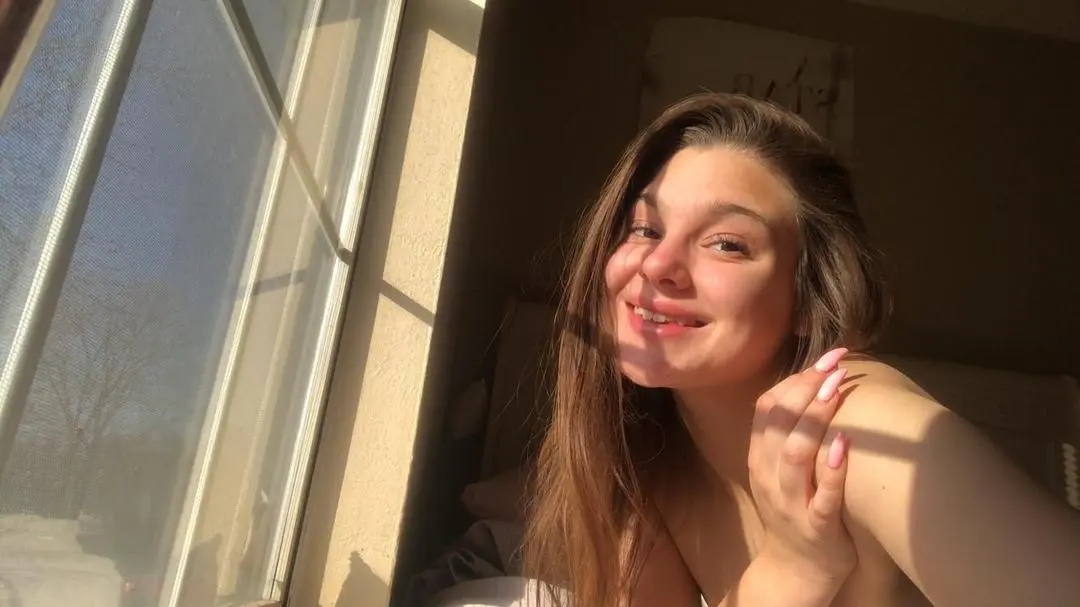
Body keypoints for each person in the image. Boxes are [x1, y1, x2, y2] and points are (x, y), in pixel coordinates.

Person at [522, 93, 1080, 606]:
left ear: (810, 300)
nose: (658, 265)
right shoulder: (647, 452)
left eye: (727, 244)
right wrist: (789, 573)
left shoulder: (866, 436)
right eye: (644, 229)